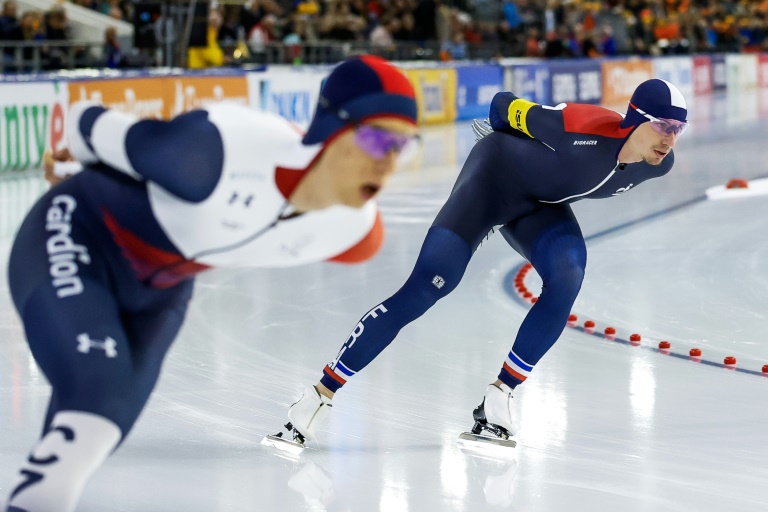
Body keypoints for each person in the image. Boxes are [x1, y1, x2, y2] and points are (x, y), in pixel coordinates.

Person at [3, 55, 418, 512]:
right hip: (78, 234)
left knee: (101, 425)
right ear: (331, 129)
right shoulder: (215, 152)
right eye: (379, 140)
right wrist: (69, 168)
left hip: (163, 289)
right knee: (94, 388)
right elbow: (88, 123)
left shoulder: (356, 235)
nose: (389, 163)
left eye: (404, 145)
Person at [273, 78, 688, 454]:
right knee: (429, 286)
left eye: (678, 129)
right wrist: (509, 131)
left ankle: (497, 399)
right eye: (664, 126)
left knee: (568, 273)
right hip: (491, 184)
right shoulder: (579, 128)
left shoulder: (658, 164)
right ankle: (316, 396)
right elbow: (501, 104)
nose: (670, 139)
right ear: (637, 119)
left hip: (539, 207)